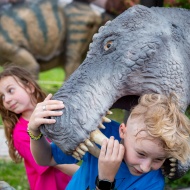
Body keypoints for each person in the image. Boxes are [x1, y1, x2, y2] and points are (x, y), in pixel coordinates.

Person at [28, 93, 190, 190]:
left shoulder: (152, 183)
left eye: (158, 159)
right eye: (141, 153)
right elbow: (47, 158)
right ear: (122, 131)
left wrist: (105, 180)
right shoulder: (103, 131)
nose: (146, 167)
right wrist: (34, 132)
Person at [0, 65, 79, 190]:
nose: (7, 100)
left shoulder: (53, 111)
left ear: (29, 87)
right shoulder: (20, 134)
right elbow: (57, 163)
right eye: (2, 97)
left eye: (10, 91)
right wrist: (92, 176)